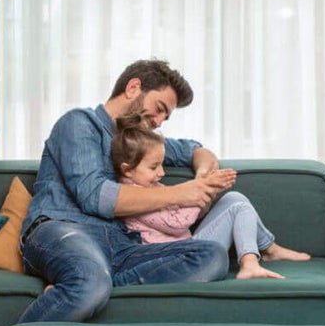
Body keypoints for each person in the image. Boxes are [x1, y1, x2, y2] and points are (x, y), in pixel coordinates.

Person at [18, 59, 235, 324]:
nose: (159, 122)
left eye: (166, 117)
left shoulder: (138, 142)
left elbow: (196, 150)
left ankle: (92, 288)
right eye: (159, 109)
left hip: (121, 245)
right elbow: (94, 196)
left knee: (212, 256)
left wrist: (202, 177)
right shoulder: (79, 123)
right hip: (62, 230)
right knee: (90, 281)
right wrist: (183, 193)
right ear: (133, 88)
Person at [111, 118, 311, 280]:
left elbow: (192, 214)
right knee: (238, 208)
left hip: (191, 244)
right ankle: (251, 262)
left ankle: (267, 250)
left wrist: (209, 194)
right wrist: (201, 189)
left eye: (162, 165)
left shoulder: (152, 185)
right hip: (184, 256)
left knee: (235, 198)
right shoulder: (131, 197)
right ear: (127, 170)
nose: (162, 172)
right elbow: (178, 223)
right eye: (154, 167)